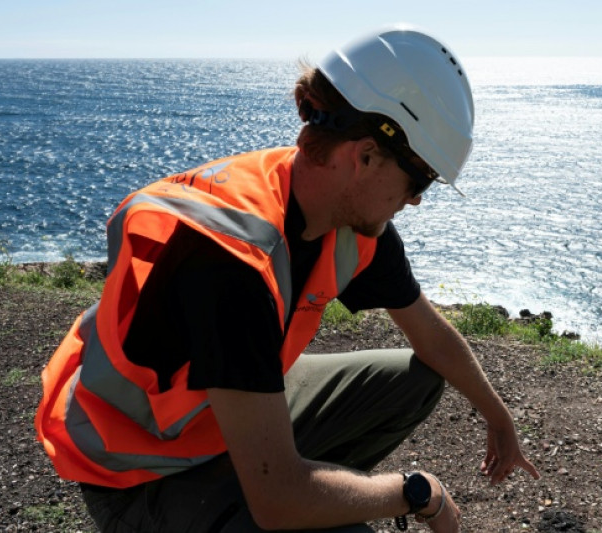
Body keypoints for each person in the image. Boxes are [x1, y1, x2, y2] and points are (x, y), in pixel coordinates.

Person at [35, 26, 540, 532]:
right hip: (141, 472)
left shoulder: (350, 220)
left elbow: (432, 339)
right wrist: (415, 492)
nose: (417, 199)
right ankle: (279, 492)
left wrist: (499, 417)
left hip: (221, 418)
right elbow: (278, 502)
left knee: (419, 377)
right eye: (421, 177)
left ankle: (292, 483)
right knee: (318, 517)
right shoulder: (231, 265)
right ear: (365, 156)